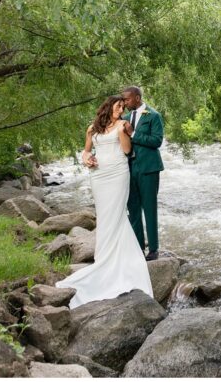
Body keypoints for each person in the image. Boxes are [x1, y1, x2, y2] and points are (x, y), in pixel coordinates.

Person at [56, 95, 152, 307]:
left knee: (116, 214)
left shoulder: (122, 125)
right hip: (98, 175)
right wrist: (86, 159)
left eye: (124, 107)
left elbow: (127, 151)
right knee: (104, 215)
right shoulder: (92, 128)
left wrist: (127, 133)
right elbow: (86, 150)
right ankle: (103, 257)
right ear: (108, 108)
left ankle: (116, 259)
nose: (122, 110)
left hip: (118, 173)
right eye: (119, 106)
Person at [121, 86, 165, 261]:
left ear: (137, 98)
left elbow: (156, 141)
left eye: (127, 99)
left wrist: (134, 134)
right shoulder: (124, 118)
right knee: (133, 209)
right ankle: (138, 248)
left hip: (149, 168)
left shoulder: (154, 116)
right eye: (123, 100)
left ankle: (153, 249)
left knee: (149, 208)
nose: (125, 103)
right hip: (129, 170)